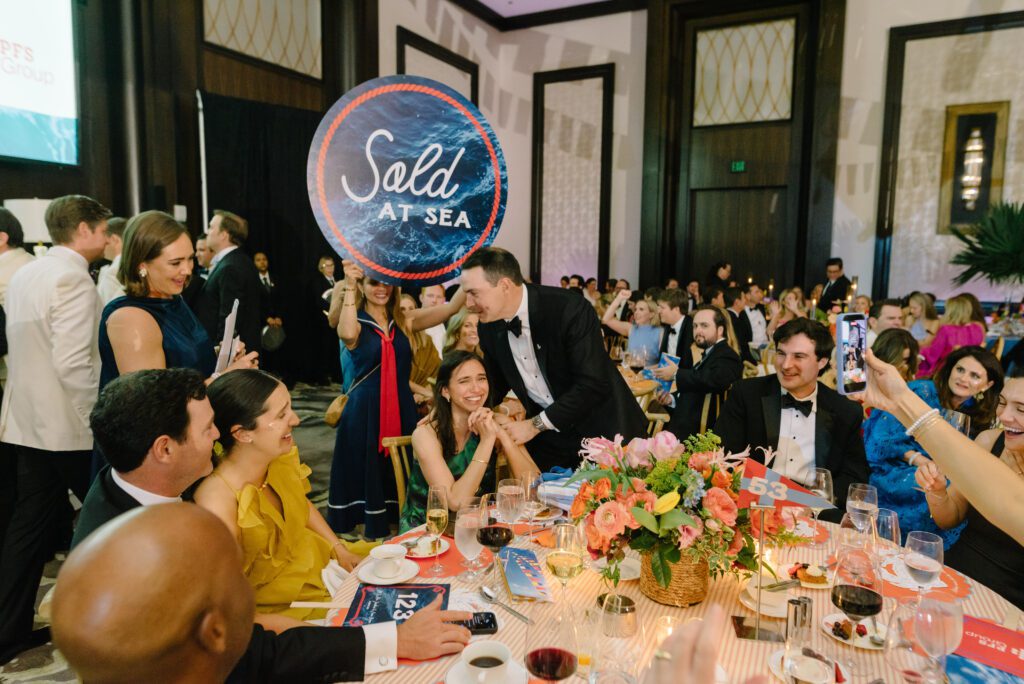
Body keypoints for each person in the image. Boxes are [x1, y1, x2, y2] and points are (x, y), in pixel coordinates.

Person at [56, 503, 474, 683]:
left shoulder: (210, 659)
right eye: (237, 575)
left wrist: (397, 638)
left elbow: (274, 653)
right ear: (214, 631)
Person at [0, 195, 110, 661]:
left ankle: (7, 630)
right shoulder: (72, 279)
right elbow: (73, 364)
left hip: (26, 421)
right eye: (103, 229)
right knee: (114, 518)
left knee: (28, 530)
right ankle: (125, 615)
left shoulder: (28, 271)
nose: (107, 237)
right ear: (83, 229)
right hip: (66, 426)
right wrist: (99, 419)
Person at [196, 369, 360, 626]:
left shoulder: (276, 456)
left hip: (318, 561)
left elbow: (300, 503)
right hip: (280, 605)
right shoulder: (217, 502)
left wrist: (338, 548)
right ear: (242, 433)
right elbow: (226, 600)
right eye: (282, 415)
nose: (296, 420)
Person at [461, 248, 645, 472]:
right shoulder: (488, 326)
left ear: (505, 286)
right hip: (549, 442)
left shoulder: (569, 309)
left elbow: (592, 384)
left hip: (604, 432)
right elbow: (495, 383)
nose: (468, 303)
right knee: (540, 494)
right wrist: (455, 409)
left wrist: (534, 425)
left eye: (474, 293)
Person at [326, 263, 465, 539]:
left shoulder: (403, 321)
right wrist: (350, 284)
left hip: (401, 408)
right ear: (363, 286)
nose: (382, 289)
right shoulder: (355, 320)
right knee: (367, 477)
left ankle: (401, 531)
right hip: (365, 414)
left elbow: (450, 309)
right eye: (374, 283)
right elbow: (347, 334)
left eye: (386, 282)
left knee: (402, 474)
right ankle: (373, 540)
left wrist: (468, 267)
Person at [714, 318, 869, 521]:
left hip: (815, 513)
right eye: (781, 353)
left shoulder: (845, 411)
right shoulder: (746, 394)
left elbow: (854, 475)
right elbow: (724, 456)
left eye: (799, 356)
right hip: (754, 507)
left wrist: (812, 505)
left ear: (822, 362)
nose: (786, 365)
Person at [98, 210, 258, 392]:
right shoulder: (130, 318)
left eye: (190, 259)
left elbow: (179, 359)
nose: (187, 270)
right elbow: (152, 401)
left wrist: (221, 356)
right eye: (175, 263)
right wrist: (225, 376)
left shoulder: (173, 299)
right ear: (142, 265)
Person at [916, 367, 1024, 608]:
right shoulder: (989, 441)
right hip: (954, 576)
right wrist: (937, 492)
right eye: (1002, 403)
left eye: (1021, 409)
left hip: (1010, 602)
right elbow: (950, 517)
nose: (1005, 416)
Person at [71, 368, 216, 548]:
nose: (217, 434)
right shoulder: (128, 549)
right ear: (165, 449)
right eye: (208, 428)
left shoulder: (133, 471)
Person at [400, 351, 539, 531]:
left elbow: (533, 488)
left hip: (478, 527)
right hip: (428, 532)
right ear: (445, 390)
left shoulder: (494, 423)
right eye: (464, 381)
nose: (476, 388)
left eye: (481, 379)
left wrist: (503, 436)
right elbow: (456, 503)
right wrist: (487, 441)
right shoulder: (425, 435)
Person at [863, 329, 964, 548]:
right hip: (896, 468)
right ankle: (915, 545)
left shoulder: (975, 414)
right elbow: (880, 441)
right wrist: (919, 459)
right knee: (935, 486)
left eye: (907, 360)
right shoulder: (920, 390)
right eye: (960, 370)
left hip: (936, 468)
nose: (902, 367)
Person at [662, 306, 742, 439]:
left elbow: (716, 380)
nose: (698, 330)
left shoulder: (727, 355)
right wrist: (671, 400)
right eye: (695, 326)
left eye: (704, 326)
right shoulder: (712, 353)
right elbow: (697, 387)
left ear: (720, 330)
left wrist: (676, 373)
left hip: (700, 433)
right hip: (688, 425)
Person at [194, 210, 263, 355]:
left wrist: (221, 354)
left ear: (223, 235)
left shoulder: (231, 266)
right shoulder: (238, 260)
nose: (207, 232)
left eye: (211, 227)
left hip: (231, 355)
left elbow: (230, 319)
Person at [931, 346, 1003, 437]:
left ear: (987, 385)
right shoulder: (922, 391)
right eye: (960, 370)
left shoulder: (978, 414)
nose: (963, 378)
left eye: (975, 376)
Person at [917, 294, 986, 377]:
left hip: (946, 370)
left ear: (950, 312)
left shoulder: (946, 330)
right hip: (970, 370)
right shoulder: (977, 328)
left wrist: (920, 352)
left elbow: (933, 354)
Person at [399, 294, 441, 408]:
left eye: (411, 309)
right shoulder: (389, 341)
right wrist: (425, 392)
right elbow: (397, 377)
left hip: (423, 404)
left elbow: (438, 372)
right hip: (395, 401)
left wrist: (425, 392)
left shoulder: (426, 341)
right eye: (402, 309)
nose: (408, 313)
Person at [602, 288, 662, 366]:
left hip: (649, 372)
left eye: (641, 309)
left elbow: (663, 363)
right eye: (635, 309)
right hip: (629, 370)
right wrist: (619, 298)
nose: (636, 312)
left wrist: (647, 370)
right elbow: (606, 319)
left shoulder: (660, 332)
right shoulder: (630, 328)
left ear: (651, 314)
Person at [654, 288, 694, 369]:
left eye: (662, 308)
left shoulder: (692, 327)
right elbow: (663, 362)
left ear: (676, 309)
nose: (658, 311)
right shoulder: (668, 326)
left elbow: (690, 365)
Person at [95, 216, 127, 304]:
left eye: (104, 241)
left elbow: (108, 307)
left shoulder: (112, 273)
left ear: (114, 239)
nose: (102, 245)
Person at [725, 286, 756, 364]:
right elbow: (741, 346)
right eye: (744, 298)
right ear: (737, 302)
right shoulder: (734, 320)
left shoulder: (728, 316)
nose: (746, 300)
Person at [419, 284, 448, 356]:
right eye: (430, 296)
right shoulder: (413, 322)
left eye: (439, 297)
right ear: (421, 298)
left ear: (444, 300)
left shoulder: (448, 323)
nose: (434, 300)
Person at [743, 283, 768, 348]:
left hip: (765, 347)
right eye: (757, 292)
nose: (760, 294)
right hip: (751, 349)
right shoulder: (741, 313)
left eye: (760, 291)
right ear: (748, 296)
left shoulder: (761, 308)